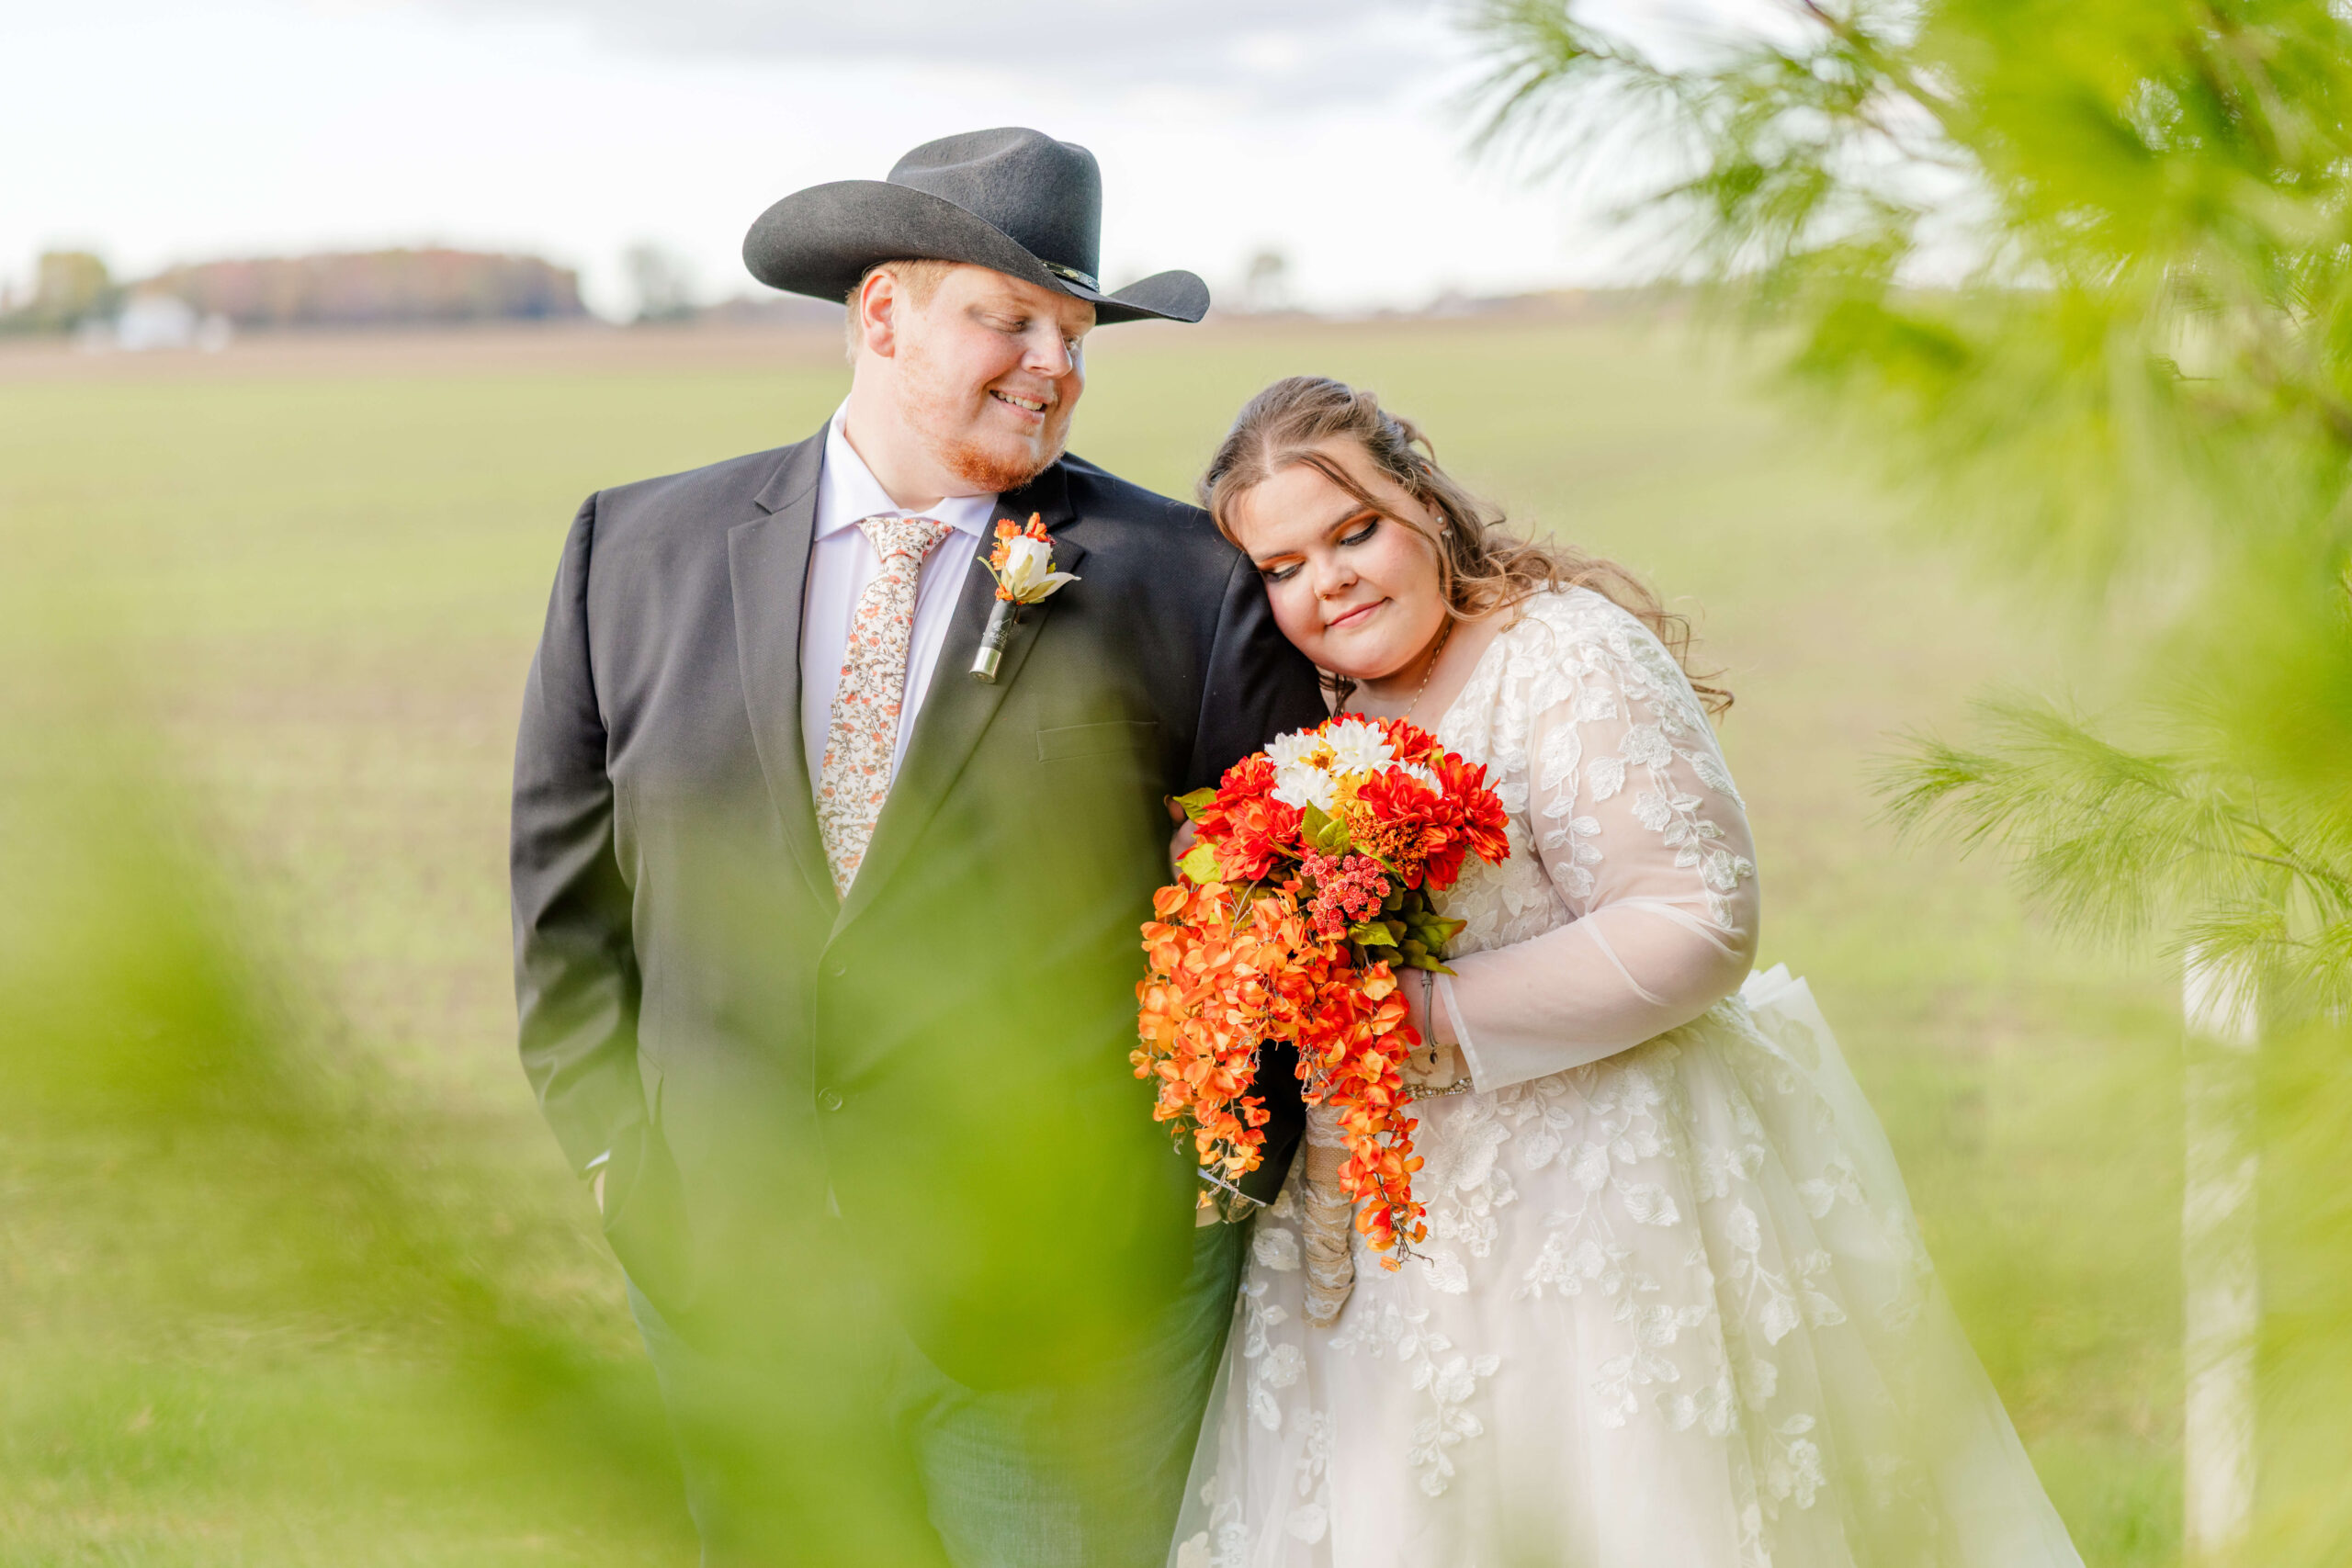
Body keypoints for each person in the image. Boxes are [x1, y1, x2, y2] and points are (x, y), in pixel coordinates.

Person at [508, 129, 1326, 1568]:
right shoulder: (628, 555)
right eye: (1008, 320)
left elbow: (1275, 940)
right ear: (881, 314)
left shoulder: (1186, 586)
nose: (1054, 365)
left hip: (1065, 1322)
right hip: (734, 1287)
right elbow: (567, 918)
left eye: (1074, 334)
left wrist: (1181, 1220)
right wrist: (624, 1178)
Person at [1171, 376, 2086, 1567]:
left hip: (1595, 1199)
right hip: (1390, 1222)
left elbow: (1697, 918)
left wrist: (1426, 1014)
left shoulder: (1561, 655)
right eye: (1284, 566)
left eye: (1355, 532)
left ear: (1427, 502)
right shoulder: (1320, 712)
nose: (1330, 580)